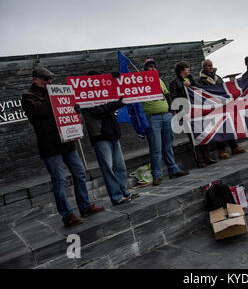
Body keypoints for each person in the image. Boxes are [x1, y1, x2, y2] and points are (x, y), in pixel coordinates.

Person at [21, 66, 104, 227]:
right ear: (35, 79)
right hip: (50, 145)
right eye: (46, 79)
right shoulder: (28, 97)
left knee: (79, 173)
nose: (49, 82)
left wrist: (74, 107)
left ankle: (85, 206)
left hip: (66, 141)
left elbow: (65, 109)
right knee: (59, 180)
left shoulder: (53, 92)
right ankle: (67, 215)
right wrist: (55, 96)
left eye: (50, 79)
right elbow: (40, 112)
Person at [81, 70, 138, 205]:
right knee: (108, 169)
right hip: (100, 136)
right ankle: (116, 196)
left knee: (120, 167)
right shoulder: (85, 98)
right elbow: (99, 111)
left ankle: (125, 192)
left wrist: (115, 80)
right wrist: (116, 103)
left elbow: (115, 99)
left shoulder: (107, 94)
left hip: (112, 134)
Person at [142, 58, 189, 185]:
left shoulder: (159, 80)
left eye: (154, 67)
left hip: (165, 116)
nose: (153, 69)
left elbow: (167, 95)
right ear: (145, 69)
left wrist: (169, 110)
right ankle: (156, 175)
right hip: (152, 118)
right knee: (156, 148)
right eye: (150, 67)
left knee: (168, 144)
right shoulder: (140, 82)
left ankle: (173, 170)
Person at [169, 61, 216, 168]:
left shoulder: (190, 79)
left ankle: (207, 157)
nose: (189, 69)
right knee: (193, 138)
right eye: (187, 68)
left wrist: (191, 85)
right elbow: (174, 98)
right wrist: (182, 113)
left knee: (203, 134)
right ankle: (199, 160)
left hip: (197, 112)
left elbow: (199, 90)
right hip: (186, 114)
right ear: (181, 70)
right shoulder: (174, 83)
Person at [199, 59, 246, 159]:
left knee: (229, 125)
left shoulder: (218, 77)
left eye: (211, 65)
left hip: (223, 105)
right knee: (218, 128)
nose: (210, 67)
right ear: (204, 67)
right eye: (208, 65)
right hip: (212, 106)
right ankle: (221, 150)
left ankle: (234, 147)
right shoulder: (201, 80)